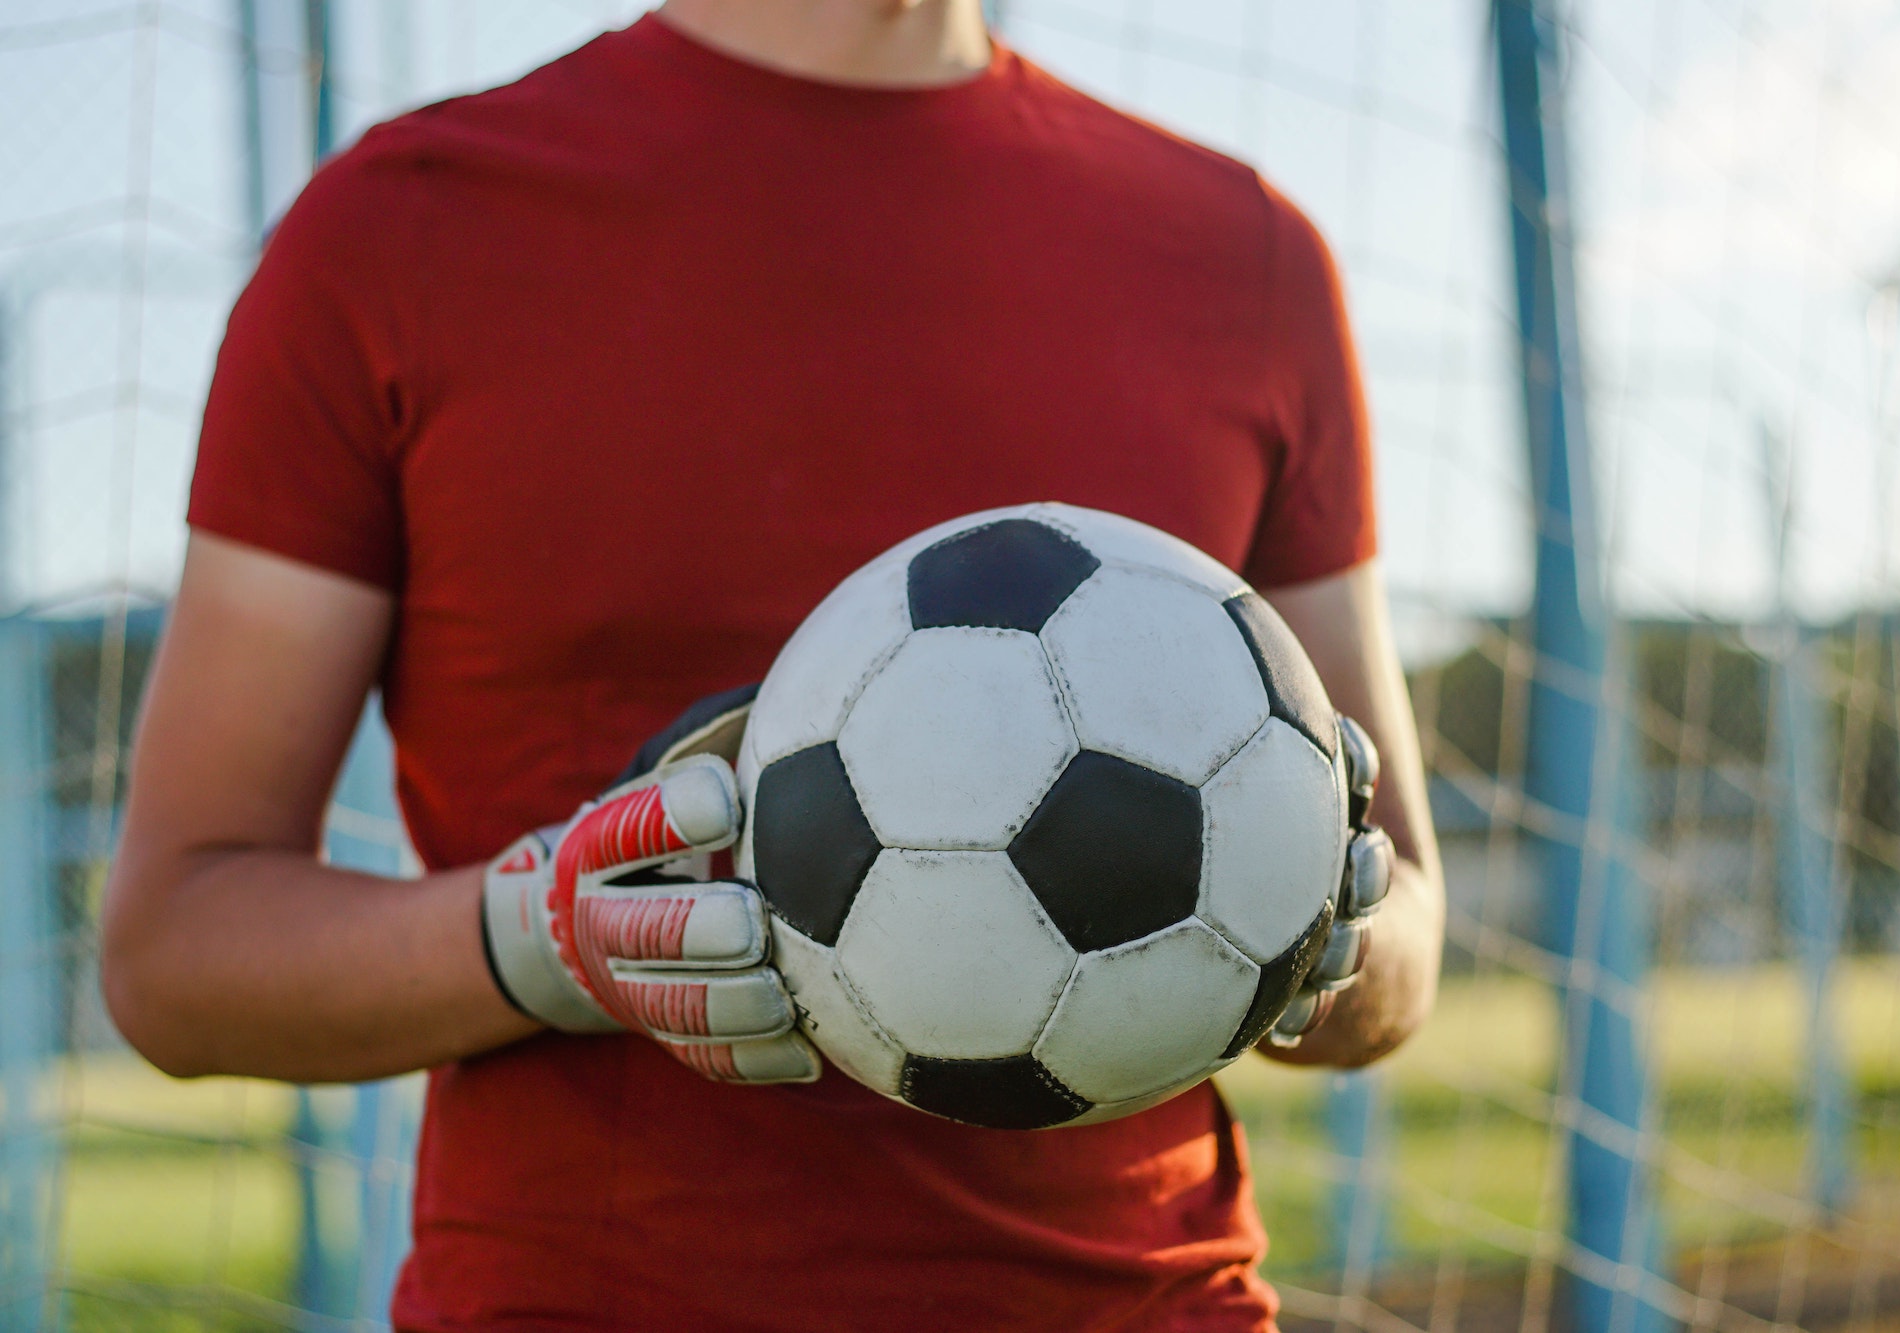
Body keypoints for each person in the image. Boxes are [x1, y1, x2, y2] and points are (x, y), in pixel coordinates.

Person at [100, 1, 1445, 1328]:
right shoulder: (401, 227)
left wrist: (1327, 939)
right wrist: (537, 938)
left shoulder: (1242, 254)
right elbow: (177, 948)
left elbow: (1408, 920)